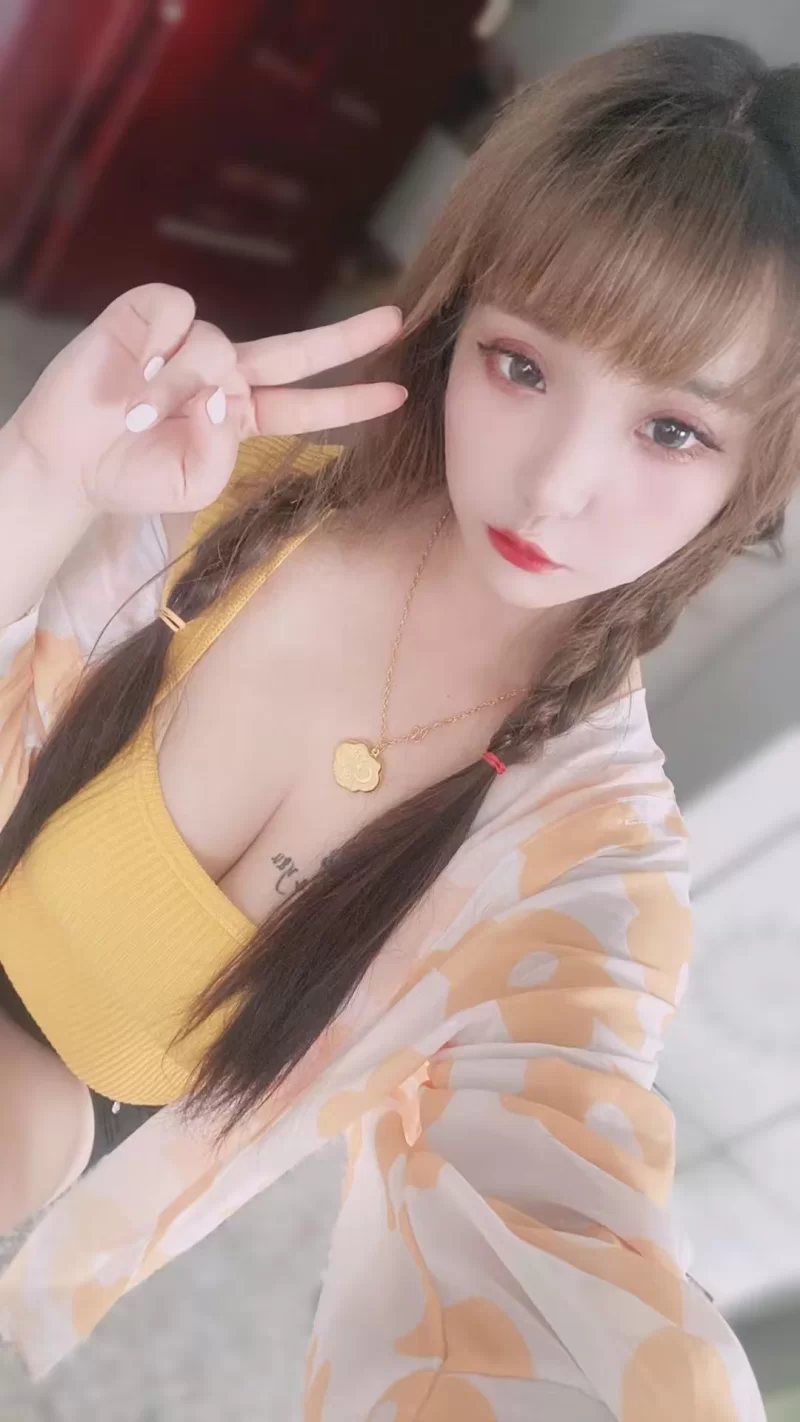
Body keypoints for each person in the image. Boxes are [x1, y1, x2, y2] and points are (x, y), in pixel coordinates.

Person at [0, 28, 794, 1419]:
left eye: (673, 430)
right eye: (522, 365)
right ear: (453, 322)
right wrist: (41, 472)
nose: (555, 487)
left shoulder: (585, 861)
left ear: (762, 469)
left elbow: (557, 1238)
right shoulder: (222, 477)